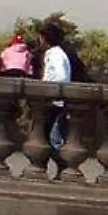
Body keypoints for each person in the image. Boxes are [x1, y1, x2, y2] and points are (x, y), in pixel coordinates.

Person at [39, 23, 73, 159]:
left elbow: (61, 76)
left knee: (52, 138)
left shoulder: (55, 54)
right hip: (57, 101)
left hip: (55, 101)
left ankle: (62, 166)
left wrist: (49, 87)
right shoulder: (58, 53)